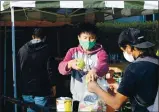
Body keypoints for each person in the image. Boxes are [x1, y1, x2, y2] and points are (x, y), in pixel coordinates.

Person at [88, 28, 159, 112]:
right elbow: (146, 94)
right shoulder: (155, 61)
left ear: (128, 47)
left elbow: (116, 104)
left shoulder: (134, 68)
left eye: (123, 50)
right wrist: (120, 88)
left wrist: (95, 88)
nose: (124, 53)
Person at [58, 23, 109, 111]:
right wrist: (69, 64)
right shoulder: (72, 52)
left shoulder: (101, 53)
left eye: (91, 38)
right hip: (77, 97)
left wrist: (95, 70)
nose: (88, 41)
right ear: (79, 37)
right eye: (85, 38)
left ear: (96, 38)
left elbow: (104, 66)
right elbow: (61, 68)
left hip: (95, 98)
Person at [18, 28, 56, 112]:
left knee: (30, 110)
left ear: (32, 36)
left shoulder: (22, 50)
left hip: (26, 88)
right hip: (42, 88)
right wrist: (53, 85)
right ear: (45, 37)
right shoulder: (47, 49)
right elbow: (50, 70)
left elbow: (19, 69)